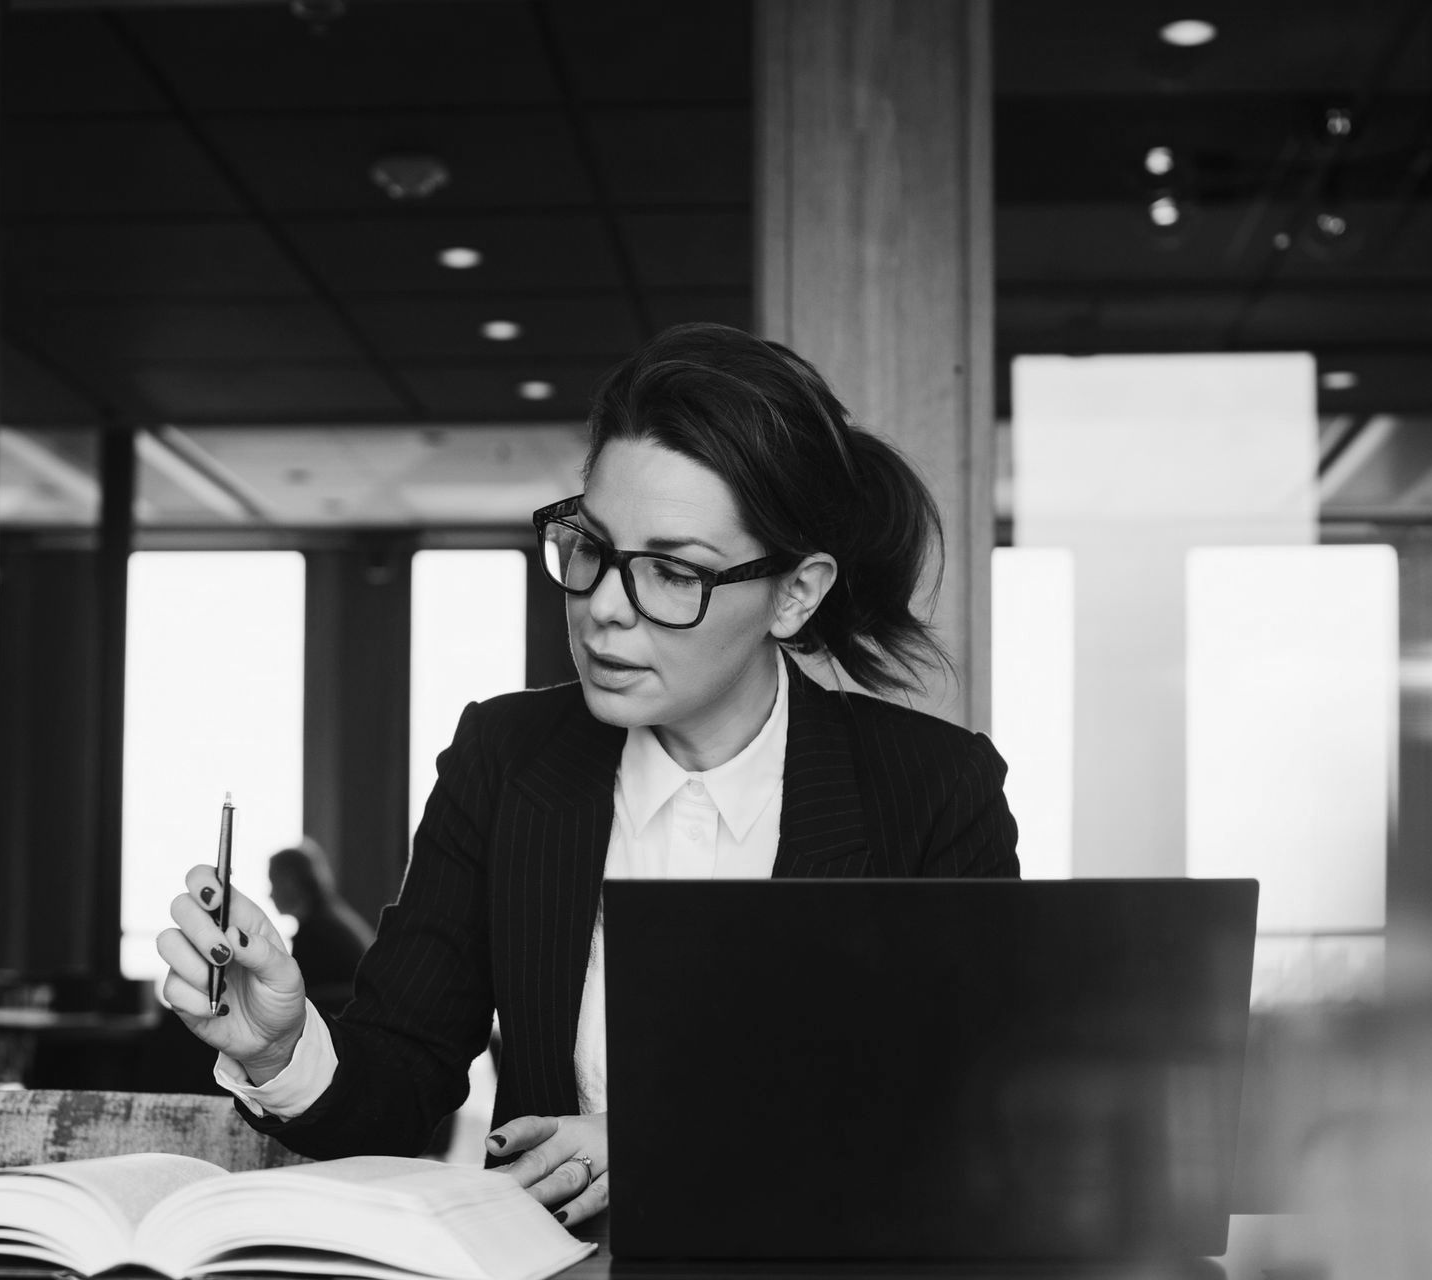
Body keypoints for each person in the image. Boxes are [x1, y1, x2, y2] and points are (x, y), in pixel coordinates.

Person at [157, 322, 1019, 1229]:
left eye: (673, 571)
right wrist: (282, 1049)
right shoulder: (505, 756)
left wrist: (666, 1139)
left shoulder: (931, 789)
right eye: (592, 548)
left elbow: (960, 1120)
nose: (605, 606)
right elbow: (404, 1075)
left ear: (795, 593)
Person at [265, 840, 377, 1016]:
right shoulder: (330, 919)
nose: (270, 894)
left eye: (273, 882)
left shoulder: (316, 934)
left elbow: (301, 1000)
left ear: (290, 881)